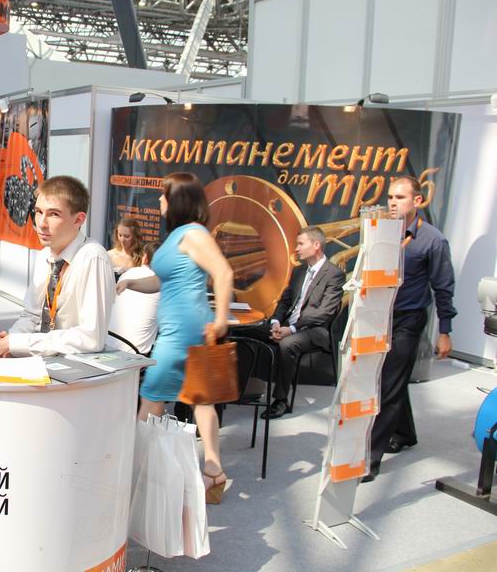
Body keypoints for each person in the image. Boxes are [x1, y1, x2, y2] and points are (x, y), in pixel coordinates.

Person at [116, 173, 234, 504]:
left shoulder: (193, 234)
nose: (159, 201)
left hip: (183, 330)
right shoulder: (179, 236)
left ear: (178, 199)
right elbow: (162, 281)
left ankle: (128, 472)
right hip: (185, 328)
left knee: (151, 397)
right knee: (201, 399)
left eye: (164, 195)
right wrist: (131, 283)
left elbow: (223, 273)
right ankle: (214, 471)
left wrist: (221, 320)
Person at [363, 175, 456, 483]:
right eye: (390, 197)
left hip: (409, 318)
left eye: (400, 197)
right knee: (392, 378)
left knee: (388, 383)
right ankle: (405, 433)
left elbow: (443, 287)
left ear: (417, 201)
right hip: (380, 314)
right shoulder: (381, 231)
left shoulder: (433, 240)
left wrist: (445, 331)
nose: (392, 202)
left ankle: (370, 459)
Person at [0, 176, 115, 357]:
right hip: (44, 357)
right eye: (38, 212)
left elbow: (91, 338)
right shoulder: (45, 254)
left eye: (54, 214)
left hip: (75, 364)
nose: (41, 223)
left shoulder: (93, 257)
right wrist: (10, 341)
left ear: (78, 220)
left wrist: (21, 343)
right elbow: (32, 315)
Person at [237, 226, 346, 420]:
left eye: (300, 244)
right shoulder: (299, 271)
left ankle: (281, 400)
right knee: (245, 330)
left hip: (315, 331)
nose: (296, 249)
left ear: (316, 245)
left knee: (288, 344)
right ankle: (242, 388)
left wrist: (292, 329)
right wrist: (276, 322)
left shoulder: (334, 274)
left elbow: (324, 313)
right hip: (287, 326)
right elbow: (285, 301)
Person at [106, 242, 160, 355]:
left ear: (145, 257)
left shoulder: (128, 273)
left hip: (108, 344)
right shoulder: (164, 283)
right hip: (136, 353)